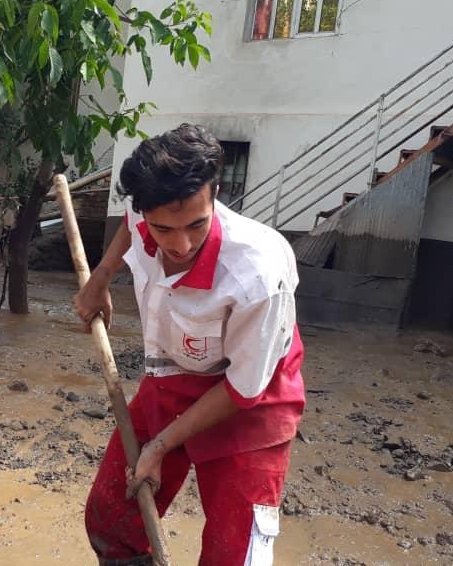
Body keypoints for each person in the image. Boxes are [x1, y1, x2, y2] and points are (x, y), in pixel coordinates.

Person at [73, 124, 305, 565]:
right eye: (163, 229)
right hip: (171, 380)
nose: (181, 245)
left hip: (250, 405)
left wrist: (159, 447)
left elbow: (243, 389)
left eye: (197, 225)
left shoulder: (258, 273)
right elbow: (129, 222)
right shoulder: (143, 211)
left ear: (215, 194)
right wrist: (100, 279)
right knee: (113, 518)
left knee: (233, 553)